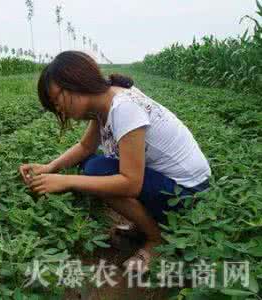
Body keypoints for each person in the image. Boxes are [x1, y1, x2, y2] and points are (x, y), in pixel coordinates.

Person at [19, 51, 211, 273]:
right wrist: (50, 167)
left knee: (96, 171)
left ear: (73, 83)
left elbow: (131, 183)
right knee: (92, 164)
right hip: (172, 185)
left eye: (56, 100)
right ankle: (146, 222)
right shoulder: (105, 105)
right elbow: (85, 147)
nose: (59, 110)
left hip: (189, 193)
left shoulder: (124, 108)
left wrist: (66, 181)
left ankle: (157, 240)